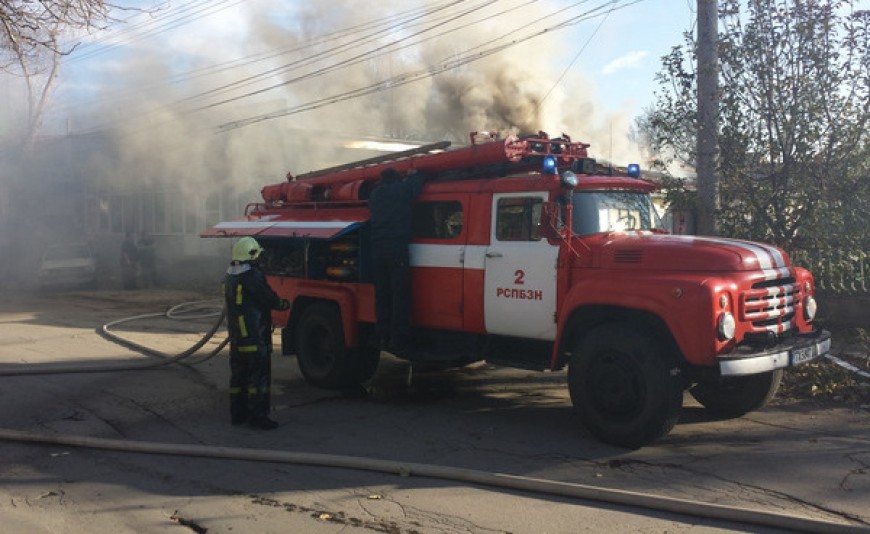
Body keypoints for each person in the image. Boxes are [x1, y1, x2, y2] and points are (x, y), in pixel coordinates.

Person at [223, 236, 289, 430]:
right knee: (258, 378)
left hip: (237, 337)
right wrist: (283, 304)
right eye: (257, 255)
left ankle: (238, 415)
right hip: (254, 336)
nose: (259, 259)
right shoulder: (252, 276)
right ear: (251, 255)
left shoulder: (230, 275)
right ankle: (258, 418)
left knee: (238, 377)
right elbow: (267, 298)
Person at [367, 167, 426, 355]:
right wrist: (416, 173)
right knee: (399, 294)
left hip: (377, 249)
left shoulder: (375, 195)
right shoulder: (400, 190)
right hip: (396, 248)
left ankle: (382, 334)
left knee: (382, 294)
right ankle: (398, 338)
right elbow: (418, 182)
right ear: (396, 179)